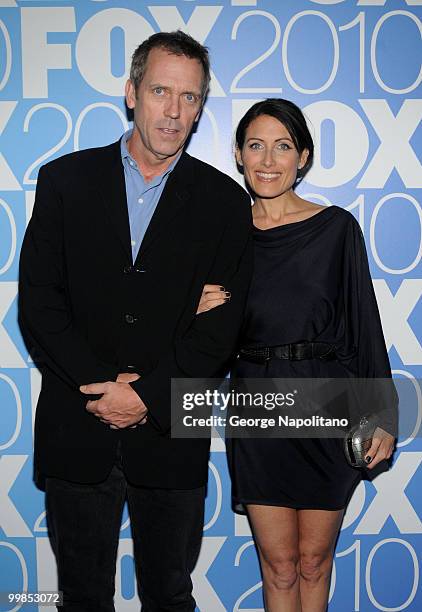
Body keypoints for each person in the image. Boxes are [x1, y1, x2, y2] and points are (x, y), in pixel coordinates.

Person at [18, 31, 253, 611]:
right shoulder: (65, 182)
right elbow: (41, 305)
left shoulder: (225, 203)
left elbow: (220, 332)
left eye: (190, 97)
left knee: (171, 596)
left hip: (172, 430)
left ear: (201, 107)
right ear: (131, 93)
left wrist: (146, 396)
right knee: (82, 598)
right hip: (79, 422)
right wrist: (104, 387)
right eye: (160, 91)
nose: (174, 112)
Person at [197, 98, 396, 612]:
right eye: (256, 146)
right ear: (238, 155)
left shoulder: (336, 229)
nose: (267, 160)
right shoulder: (222, 237)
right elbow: (194, 339)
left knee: (314, 560)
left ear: (303, 157)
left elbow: (364, 327)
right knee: (279, 565)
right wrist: (190, 309)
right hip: (257, 407)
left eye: (282, 146)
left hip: (329, 405)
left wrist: (383, 416)